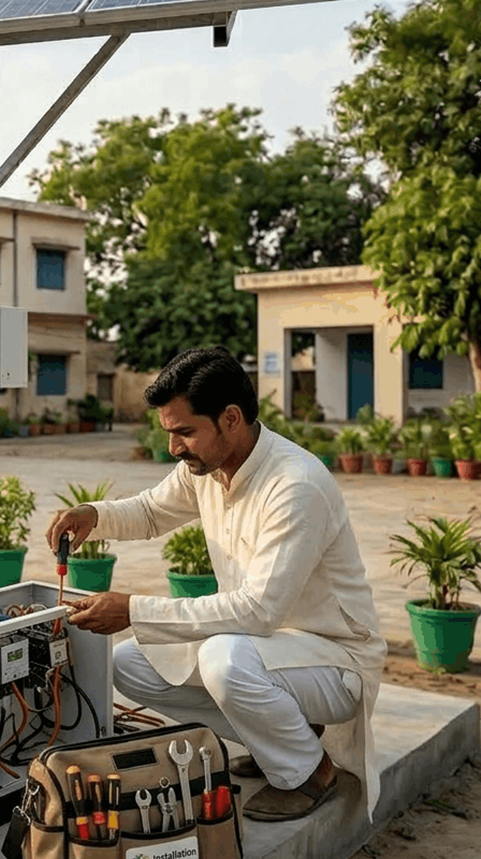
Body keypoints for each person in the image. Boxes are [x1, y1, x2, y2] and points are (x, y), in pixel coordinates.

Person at [46, 346, 386, 823]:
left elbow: (257, 611)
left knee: (224, 659)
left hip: (333, 660)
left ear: (230, 419)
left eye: (185, 432)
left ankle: (309, 771)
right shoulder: (210, 468)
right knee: (131, 664)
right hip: (265, 647)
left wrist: (133, 610)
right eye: (169, 433)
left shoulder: (295, 485)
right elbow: (151, 510)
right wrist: (93, 515)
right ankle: (283, 738)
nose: (174, 447)